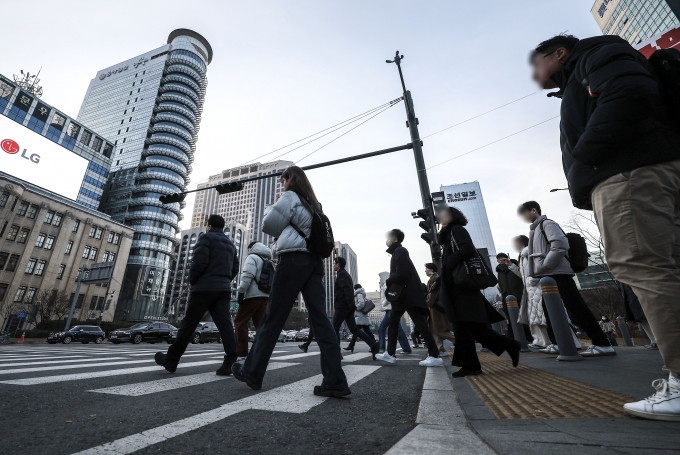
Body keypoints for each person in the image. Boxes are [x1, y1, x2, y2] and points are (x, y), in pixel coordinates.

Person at [531, 33, 680, 420]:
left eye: (538, 63)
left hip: (627, 173)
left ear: (558, 53)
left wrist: (585, 156)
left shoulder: (596, 55)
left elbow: (629, 91)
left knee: (645, 267)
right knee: (665, 267)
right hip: (642, 169)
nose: (535, 73)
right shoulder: (592, 64)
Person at [231, 166, 349, 397]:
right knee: (320, 320)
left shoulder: (290, 197)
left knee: (273, 317)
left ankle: (252, 372)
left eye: (283, 181)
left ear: (290, 179)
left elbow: (269, 225)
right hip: (314, 264)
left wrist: (272, 206)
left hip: (293, 260)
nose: (282, 185)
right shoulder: (313, 204)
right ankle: (335, 380)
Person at [518, 201, 613, 357]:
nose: (522, 216)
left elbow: (560, 244)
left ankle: (602, 343)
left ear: (534, 210)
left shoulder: (547, 224)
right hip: (549, 276)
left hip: (558, 274)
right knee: (549, 311)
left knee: (576, 308)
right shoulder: (535, 229)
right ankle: (557, 343)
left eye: (524, 213)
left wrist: (545, 265)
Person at [437, 207, 520, 377]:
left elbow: (467, 248)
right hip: (458, 287)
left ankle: (471, 366)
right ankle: (510, 345)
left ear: (453, 217)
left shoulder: (457, 229)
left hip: (462, 288)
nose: (441, 217)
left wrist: (448, 263)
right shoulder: (448, 236)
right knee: (474, 327)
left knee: (464, 326)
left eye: (444, 215)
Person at [154, 215, 238, 375]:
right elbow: (235, 268)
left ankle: (171, 360)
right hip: (223, 289)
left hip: (204, 288)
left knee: (189, 325)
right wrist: (224, 280)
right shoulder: (231, 244)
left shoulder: (206, 238)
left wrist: (193, 280)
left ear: (209, 226)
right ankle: (231, 361)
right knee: (225, 325)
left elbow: (199, 263)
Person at [375, 229, 443, 367]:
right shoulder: (397, 252)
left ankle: (434, 355)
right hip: (402, 296)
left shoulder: (400, 251)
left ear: (394, 238)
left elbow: (403, 273)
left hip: (408, 295)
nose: (387, 240)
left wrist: (389, 279)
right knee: (393, 323)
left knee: (420, 325)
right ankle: (390, 354)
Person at [508, 235, 551, 349]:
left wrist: (533, 279)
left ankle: (544, 341)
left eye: (516, 243)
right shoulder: (522, 255)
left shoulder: (527, 252)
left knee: (541, 317)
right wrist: (511, 266)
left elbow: (536, 269)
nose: (515, 245)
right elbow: (522, 274)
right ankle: (541, 341)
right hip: (530, 289)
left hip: (535, 287)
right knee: (537, 317)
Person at [332, 257, 379, 355]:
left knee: (335, 327)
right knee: (354, 329)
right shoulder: (345, 274)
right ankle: (373, 344)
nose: (333, 265)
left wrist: (351, 305)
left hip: (343, 306)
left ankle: (336, 352)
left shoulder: (342, 274)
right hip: (347, 306)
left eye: (334, 263)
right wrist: (351, 306)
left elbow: (347, 291)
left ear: (338, 264)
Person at [234, 241, 271, 361]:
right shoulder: (265, 260)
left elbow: (247, 275)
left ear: (251, 248)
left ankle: (242, 354)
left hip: (252, 296)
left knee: (240, 322)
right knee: (261, 326)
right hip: (265, 296)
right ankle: (262, 354)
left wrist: (241, 292)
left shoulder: (252, 257)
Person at [496, 252, 533, 342]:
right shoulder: (499, 271)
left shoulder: (514, 266)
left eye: (502, 258)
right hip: (506, 298)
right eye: (499, 258)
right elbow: (500, 284)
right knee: (511, 318)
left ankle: (528, 337)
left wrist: (511, 265)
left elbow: (521, 276)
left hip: (518, 297)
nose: (501, 260)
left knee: (523, 318)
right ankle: (514, 338)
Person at [377, 271, 412, 353]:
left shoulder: (386, 285)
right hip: (389, 309)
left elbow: (390, 296)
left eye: (380, 277)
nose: (380, 279)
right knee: (382, 328)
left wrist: (383, 304)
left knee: (394, 329)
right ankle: (406, 348)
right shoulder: (386, 284)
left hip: (390, 309)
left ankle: (382, 348)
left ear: (383, 277)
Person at [424, 263, 455, 353]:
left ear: (431, 269)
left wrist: (428, 303)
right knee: (434, 329)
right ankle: (440, 348)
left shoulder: (434, 279)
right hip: (435, 307)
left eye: (427, 269)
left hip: (436, 307)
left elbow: (433, 293)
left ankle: (460, 340)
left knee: (440, 329)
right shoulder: (433, 278)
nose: (425, 271)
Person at [619, 282, 657, 350]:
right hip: (632, 301)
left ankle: (656, 341)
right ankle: (654, 341)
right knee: (643, 320)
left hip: (639, 299)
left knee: (649, 320)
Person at [344, 284, 377, 359]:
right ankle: (374, 345)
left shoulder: (359, 294)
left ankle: (351, 346)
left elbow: (361, 304)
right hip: (362, 317)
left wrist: (355, 308)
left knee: (356, 331)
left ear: (355, 289)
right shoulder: (360, 294)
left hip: (360, 316)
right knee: (366, 332)